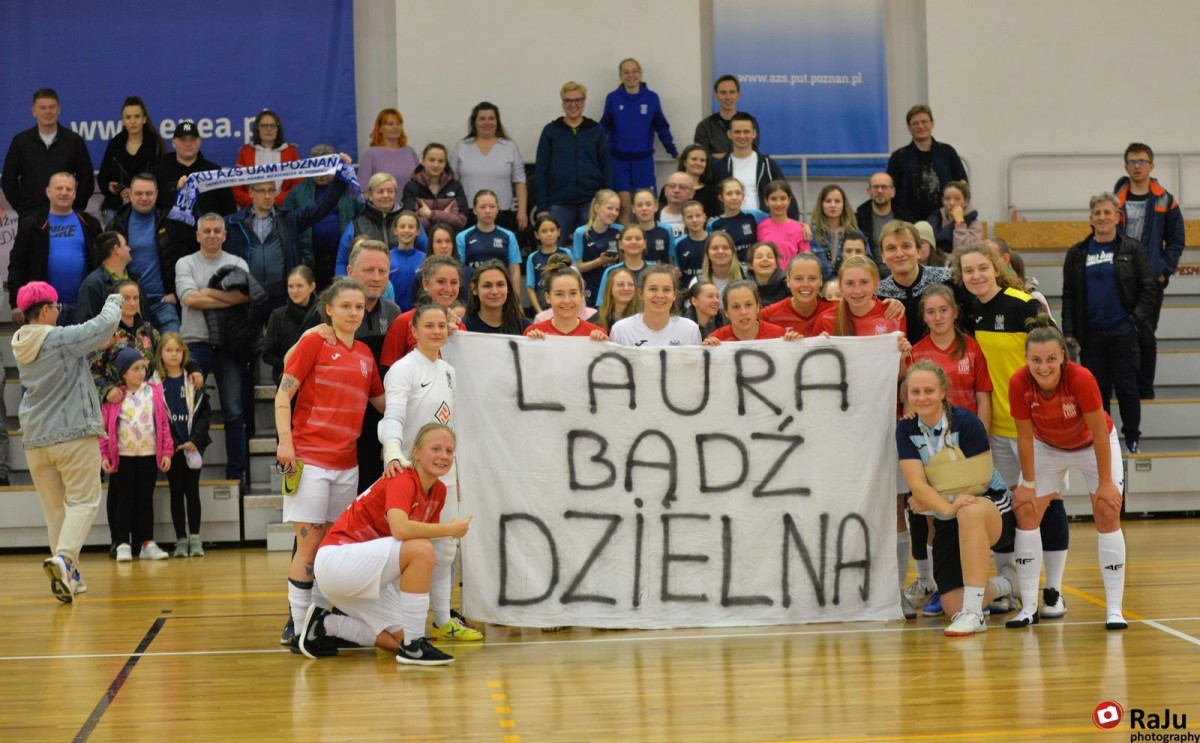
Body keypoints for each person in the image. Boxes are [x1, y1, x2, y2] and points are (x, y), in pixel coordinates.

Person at [298, 422, 469, 664]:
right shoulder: (403, 479)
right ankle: (415, 644)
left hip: (367, 571)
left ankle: (326, 624)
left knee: (399, 641)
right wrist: (449, 530)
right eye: (436, 449)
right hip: (338, 561)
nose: (443, 456)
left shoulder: (438, 492)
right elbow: (401, 529)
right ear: (416, 452)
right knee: (422, 549)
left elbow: (409, 552)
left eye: (449, 451)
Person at [277, 280, 386, 653]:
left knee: (332, 549)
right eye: (345, 306)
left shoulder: (365, 356)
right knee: (308, 545)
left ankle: (317, 625)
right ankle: (298, 627)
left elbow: (384, 404)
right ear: (329, 309)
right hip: (308, 461)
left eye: (358, 307)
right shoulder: (314, 343)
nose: (353, 313)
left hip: (346, 465)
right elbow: (282, 395)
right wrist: (285, 441)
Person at [951, 241, 1059, 613]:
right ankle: (1010, 586)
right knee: (1004, 506)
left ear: (997, 268)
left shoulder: (1024, 305)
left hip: (1035, 427)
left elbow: (1056, 356)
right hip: (997, 427)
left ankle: (1053, 590)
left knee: (1047, 503)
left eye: (982, 268)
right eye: (968, 271)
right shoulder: (973, 311)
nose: (976, 276)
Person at [1007, 322, 1128, 630]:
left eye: (1051, 359)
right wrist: (1028, 485)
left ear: (1063, 355)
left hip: (1092, 444)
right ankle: (1029, 607)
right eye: (1036, 360)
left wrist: (1105, 483)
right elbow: (1024, 437)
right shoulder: (1019, 382)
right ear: (1026, 359)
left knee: (1107, 509)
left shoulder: (1081, 378)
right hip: (1048, 446)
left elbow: (1099, 433)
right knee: (1025, 509)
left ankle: (1114, 609)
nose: (1043, 367)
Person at [376, 302, 483, 644]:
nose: (437, 331)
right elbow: (392, 416)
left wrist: (458, 471)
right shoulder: (402, 370)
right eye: (429, 326)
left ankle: (442, 620)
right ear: (414, 331)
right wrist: (393, 451)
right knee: (405, 549)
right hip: (409, 472)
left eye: (442, 326)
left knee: (446, 549)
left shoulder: (448, 371)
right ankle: (399, 624)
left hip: (443, 475)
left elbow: (451, 424)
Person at [13, 284, 122, 602]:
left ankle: (69, 576)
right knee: (84, 501)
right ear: (46, 310)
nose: (59, 311)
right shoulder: (58, 338)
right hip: (72, 432)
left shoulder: (20, 342)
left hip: (36, 439)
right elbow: (102, 324)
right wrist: (115, 298)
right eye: (57, 307)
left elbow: (70, 359)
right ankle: (64, 559)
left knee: (55, 512)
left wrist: (96, 347)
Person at [896, 360, 1017, 636]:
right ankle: (1008, 583)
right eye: (915, 392)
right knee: (952, 606)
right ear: (907, 396)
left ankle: (974, 614)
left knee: (969, 510)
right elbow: (917, 485)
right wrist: (947, 505)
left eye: (929, 391)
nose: (922, 397)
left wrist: (933, 499)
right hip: (949, 512)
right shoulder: (906, 430)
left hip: (991, 505)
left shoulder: (966, 422)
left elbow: (980, 480)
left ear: (942, 392)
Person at [906, 283, 994, 615]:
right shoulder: (916, 352)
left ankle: (980, 585)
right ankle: (941, 585)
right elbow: (909, 402)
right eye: (931, 312)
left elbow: (983, 397)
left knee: (971, 511)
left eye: (944, 310)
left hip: (967, 445)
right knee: (936, 516)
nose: (938, 316)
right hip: (932, 448)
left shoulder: (973, 348)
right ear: (923, 317)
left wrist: (980, 441)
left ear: (956, 312)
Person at [1062, 193, 1156, 454]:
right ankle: (1103, 437)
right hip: (1091, 334)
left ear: (1117, 217)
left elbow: (1148, 289)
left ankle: (1132, 438)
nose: (1102, 217)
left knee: (1127, 387)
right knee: (1096, 391)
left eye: (1107, 212)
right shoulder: (1077, 253)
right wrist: (1069, 330)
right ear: (1091, 219)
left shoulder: (1132, 249)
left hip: (1123, 331)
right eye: (1097, 213)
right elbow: (1069, 294)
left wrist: (1134, 322)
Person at [175, 214, 253, 486]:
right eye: (206, 231)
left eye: (216, 231)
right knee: (190, 412)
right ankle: (188, 475)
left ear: (224, 235)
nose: (211, 235)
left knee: (234, 412)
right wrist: (226, 297)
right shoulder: (185, 263)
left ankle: (237, 476)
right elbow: (189, 299)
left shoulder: (237, 263)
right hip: (194, 344)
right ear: (197, 235)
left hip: (229, 347)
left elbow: (244, 296)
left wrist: (206, 293)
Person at [222, 155, 351, 309]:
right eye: (262, 191)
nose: (267, 196)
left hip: (282, 297)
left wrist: (340, 177)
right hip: (247, 297)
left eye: (271, 190)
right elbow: (204, 226)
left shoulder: (289, 219)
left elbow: (323, 206)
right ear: (251, 192)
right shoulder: (234, 223)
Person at [1113, 142, 1185, 401]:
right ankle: (1126, 387)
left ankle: (1144, 390)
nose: (1137, 166)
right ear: (1126, 167)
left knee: (1145, 334)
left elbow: (1177, 240)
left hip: (1151, 279)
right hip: (1120, 278)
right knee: (1122, 334)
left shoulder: (1166, 200)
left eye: (1142, 161)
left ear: (1151, 166)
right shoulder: (1115, 201)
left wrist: (1164, 271)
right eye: (1132, 162)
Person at [99, 346, 174, 562]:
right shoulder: (115, 397)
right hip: (123, 458)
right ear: (124, 373)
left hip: (149, 456)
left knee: (145, 501)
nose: (141, 372)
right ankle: (123, 543)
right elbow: (104, 429)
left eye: (143, 367)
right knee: (124, 501)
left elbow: (163, 424)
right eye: (135, 368)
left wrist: (166, 452)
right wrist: (104, 456)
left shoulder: (154, 392)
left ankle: (146, 543)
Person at [8, 172, 101, 325]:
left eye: (69, 189)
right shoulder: (31, 225)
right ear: (48, 192)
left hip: (83, 306)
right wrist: (15, 302)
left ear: (75, 194)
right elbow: (17, 264)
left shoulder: (90, 223)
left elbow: (102, 263)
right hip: (43, 307)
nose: (64, 192)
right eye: (59, 188)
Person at [107, 173, 191, 331]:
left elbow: (184, 258)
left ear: (157, 194)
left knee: (174, 344)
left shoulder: (170, 222)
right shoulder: (116, 225)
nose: (144, 198)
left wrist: (176, 293)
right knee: (132, 348)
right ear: (129, 194)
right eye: (139, 193)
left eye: (149, 193)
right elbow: (107, 267)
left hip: (163, 303)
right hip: (128, 304)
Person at [601, 58, 678, 220]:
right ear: (620, 76)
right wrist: (595, 153)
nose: (631, 76)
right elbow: (603, 127)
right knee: (623, 206)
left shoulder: (651, 98)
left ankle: (646, 236)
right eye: (626, 72)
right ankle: (624, 236)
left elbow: (662, 126)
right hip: (619, 160)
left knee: (646, 206)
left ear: (640, 73)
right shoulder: (613, 98)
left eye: (634, 71)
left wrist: (673, 151)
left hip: (643, 161)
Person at [156, 333, 211, 558]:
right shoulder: (155, 383)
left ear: (184, 354)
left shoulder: (193, 381)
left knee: (193, 492)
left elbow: (204, 414)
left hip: (192, 447)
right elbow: (157, 419)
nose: (173, 354)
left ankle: (195, 538)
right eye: (169, 350)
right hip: (171, 449)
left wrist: (195, 440)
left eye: (177, 350)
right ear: (160, 353)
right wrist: (170, 444)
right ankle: (180, 539)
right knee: (176, 493)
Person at [535, 82, 611, 242]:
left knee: (591, 248)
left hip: (591, 202)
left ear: (584, 102)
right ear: (562, 103)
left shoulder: (595, 130)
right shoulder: (551, 131)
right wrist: (542, 207)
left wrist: (607, 201)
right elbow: (541, 170)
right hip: (559, 203)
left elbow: (606, 167)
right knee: (555, 249)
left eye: (577, 100)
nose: (573, 105)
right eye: (568, 100)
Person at [2, 88, 94, 222]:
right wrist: (23, 209)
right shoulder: (21, 142)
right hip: (30, 217)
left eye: (52, 107)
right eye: (42, 108)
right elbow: (8, 179)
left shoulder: (74, 141)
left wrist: (75, 207)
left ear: (59, 109)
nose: (48, 112)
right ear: (34, 111)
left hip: (66, 216)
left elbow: (86, 179)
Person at [877, 220, 975, 344]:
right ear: (883, 256)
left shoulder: (948, 279)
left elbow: (977, 312)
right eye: (891, 248)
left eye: (906, 246)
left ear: (918, 251)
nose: (899, 254)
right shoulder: (878, 294)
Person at [285, 144, 362, 289]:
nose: (321, 175)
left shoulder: (349, 189)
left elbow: (362, 218)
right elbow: (286, 226)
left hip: (344, 257)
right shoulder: (296, 193)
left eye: (326, 169)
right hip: (310, 260)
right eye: (317, 170)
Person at [451, 102, 528, 233]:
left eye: (491, 118)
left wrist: (522, 211)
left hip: (502, 214)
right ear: (474, 122)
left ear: (497, 121)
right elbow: (450, 181)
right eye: (482, 118)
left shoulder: (510, 147)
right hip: (468, 215)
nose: (487, 122)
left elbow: (520, 181)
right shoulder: (461, 146)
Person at [886, 105, 968, 221]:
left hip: (945, 220)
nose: (920, 126)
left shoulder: (948, 152)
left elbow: (962, 186)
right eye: (915, 123)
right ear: (909, 128)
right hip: (909, 222)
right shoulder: (898, 157)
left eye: (924, 122)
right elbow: (890, 192)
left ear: (932, 124)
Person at [380, 257, 467, 366]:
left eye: (454, 282)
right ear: (425, 284)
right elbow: (388, 369)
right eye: (441, 282)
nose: (448, 289)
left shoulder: (459, 326)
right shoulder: (404, 322)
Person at [89, 279, 160, 409]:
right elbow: (88, 370)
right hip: (116, 404)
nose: (132, 303)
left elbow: (166, 354)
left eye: (135, 298)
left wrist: (190, 367)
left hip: (147, 402)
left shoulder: (148, 329)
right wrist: (107, 389)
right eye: (126, 298)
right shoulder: (103, 332)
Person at [711, 113, 797, 218]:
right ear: (729, 134)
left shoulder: (767, 165)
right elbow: (714, 201)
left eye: (746, 131)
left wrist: (794, 223)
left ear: (754, 133)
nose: (742, 136)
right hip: (731, 224)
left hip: (764, 223)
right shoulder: (719, 167)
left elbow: (786, 195)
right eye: (737, 132)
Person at [96, 96, 166, 222]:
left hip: (148, 205)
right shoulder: (115, 144)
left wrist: (137, 192)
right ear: (123, 121)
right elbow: (103, 177)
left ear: (144, 119)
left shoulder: (155, 144)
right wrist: (110, 188)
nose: (133, 121)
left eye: (137, 116)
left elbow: (163, 178)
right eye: (128, 117)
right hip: (117, 206)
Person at [335, 173, 414, 276]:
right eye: (380, 191)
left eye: (390, 191)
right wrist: (344, 283)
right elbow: (341, 263)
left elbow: (426, 251)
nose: (386, 195)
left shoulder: (410, 221)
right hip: (367, 282)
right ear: (370, 195)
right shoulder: (356, 224)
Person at [153, 121, 236, 218]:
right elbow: (152, 209)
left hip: (208, 227)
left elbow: (230, 211)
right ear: (173, 143)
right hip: (169, 227)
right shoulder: (159, 172)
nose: (188, 144)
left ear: (199, 142)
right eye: (183, 139)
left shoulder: (214, 172)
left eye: (192, 139)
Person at [609, 265, 701, 346]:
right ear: (641, 293)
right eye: (653, 289)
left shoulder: (690, 330)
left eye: (666, 290)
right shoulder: (620, 331)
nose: (660, 295)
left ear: (674, 295)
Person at [232, 109, 301, 208]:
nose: (269, 129)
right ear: (257, 129)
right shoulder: (246, 152)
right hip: (251, 209)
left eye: (273, 125)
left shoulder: (290, 152)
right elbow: (236, 186)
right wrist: (255, 202)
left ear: (278, 129)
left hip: (282, 209)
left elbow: (298, 185)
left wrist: (276, 202)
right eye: (264, 125)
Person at [263, 266, 318, 384]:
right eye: (290, 286)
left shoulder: (323, 315)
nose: (294, 291)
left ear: (312, 287)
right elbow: (267, 354)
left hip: (317, 381)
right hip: (286, 380)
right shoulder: (278, 316)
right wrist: (291, 366)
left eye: (299, 286)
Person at [74, 231, 143, 325]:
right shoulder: (93, 284)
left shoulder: (134, 278)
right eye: (125, 245)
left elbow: (145, 316)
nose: (129, 249)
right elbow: (87, 324)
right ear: (116, 249)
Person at [457, 190, 520, 290]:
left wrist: (516, 298)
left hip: (500, 291)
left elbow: (514, 270)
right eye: (482, 207)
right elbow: (459, 269)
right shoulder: (462, 237)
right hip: (472, 291)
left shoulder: (509, 236)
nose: (487, 211)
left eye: (492, 206)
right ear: (474, 210)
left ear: (497, 209)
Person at [525, 264, 609, 340]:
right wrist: (532, 344)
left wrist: (602, 345)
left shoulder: (597, 335)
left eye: (573, 293)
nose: (567, 301)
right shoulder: (533, 333)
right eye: (559, 294)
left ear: (581, 295)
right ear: (548, 297)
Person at [761, 253, 836, 336]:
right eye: (798, 279)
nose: (805, 284)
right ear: (788, 280)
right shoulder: (768, 315)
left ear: (820, 280)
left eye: (812, 278)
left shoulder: (836, 310)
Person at [571, 189, 623, 306]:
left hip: (614, 286)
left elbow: (625, 261)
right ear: (597, 208)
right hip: (591, 286)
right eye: (609, 208)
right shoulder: (581, 233)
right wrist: (600, 261)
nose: (614, 213)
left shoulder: (620, 230)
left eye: (617, 209)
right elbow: (579, 267)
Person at [402, 143, 468, 233]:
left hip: (448, 239)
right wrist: (444, 217)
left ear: (445, 163)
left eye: (441, 161)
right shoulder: (412, 187)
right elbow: (410, 222)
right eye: (432, 160)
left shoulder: (456, 186)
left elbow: (460, 222)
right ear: (423, 161)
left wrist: (430, 214)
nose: (436, 165)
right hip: (420, 240)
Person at [703, 280, 796, 344]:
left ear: (757, 307)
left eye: (748, 305)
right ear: (726, 312)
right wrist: (707, 350)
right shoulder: (716, 339)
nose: (743, 312)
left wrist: (795, 344)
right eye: (736, 307)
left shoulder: (778, 334)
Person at [694, 75, 760, 159]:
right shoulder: (705, 126)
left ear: (738, 95)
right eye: (723, 92)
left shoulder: (750, 122)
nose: (728, 97)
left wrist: (715, 156)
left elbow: (750, 154)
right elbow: (701, 158)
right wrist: (736, 155)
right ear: (716, 96)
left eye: (732, 92)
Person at [358, 108, 420, 194]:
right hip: (383, 202)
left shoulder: (410, 152)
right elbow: (363, 189)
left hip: (411, 202)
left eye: (398, 124)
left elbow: (421, 181)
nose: (395, 127)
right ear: (380, 129)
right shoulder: (370, 154)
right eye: (390, 124)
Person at [757, 180, 814, 271]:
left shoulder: (800, 229)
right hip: (766, 276)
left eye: (783, 198)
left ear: (789, 200)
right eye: (773, 199)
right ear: (766, 201)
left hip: (790, 277)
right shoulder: (760, 227)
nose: (778, 203)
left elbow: (806, 261)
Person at [463, 259, 531, 335]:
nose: (494, 291)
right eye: (487, 286)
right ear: (474, 289)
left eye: (500, 285)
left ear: (508, 288)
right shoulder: (463, 328)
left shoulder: (525, 328)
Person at [855, 172, 913, 256]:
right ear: (869, 191)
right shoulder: (857, 221)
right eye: (876, 187)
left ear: (893, 192)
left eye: (884, 187)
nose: (880, 191)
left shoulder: (906, 220)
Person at [658, 145, 720, 220]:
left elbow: (715, 218)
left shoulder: (712, 191)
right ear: (684, 162)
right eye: (694, 159)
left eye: (702, 160)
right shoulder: (669, 189)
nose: (698, 163)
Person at [525, 215, 572, 314]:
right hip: (542, 307)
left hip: (564, 305)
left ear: (558, 232)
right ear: (537, 235)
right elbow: (530, 288)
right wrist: (539, 311)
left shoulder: (566, 253)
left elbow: (575, 280)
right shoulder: (532, 258)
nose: (549, 234)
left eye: (552, 230)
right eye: (544, 231)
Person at [710, 178, 766, 260]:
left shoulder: (755, 216)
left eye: (738, 193)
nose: (734, 197)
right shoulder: (713, 225)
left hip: (751, 267)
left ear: (743, 196)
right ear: (721, 198)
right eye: (729, 194)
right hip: (728, 267)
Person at [809, 184, 858, 273]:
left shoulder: (854, 232)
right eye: (828, 201)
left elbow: (867, 260)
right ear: (821, 205)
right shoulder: (812, 233)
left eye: (837, 201)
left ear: (844, 205)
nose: (832, 205)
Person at [928, 180, 982, 254]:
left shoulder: (974, 225)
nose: (952, 203)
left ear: (966, 201)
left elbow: (964, 252)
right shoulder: (935, 218)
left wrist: (960, 223)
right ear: (942, 201)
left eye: (957, 199)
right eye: (947, 199)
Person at [597, 225, 650, 300]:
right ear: (620, 244)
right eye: (628, 239)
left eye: (638, 239)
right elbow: (603, 303)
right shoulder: (610, 272)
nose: (633, 242)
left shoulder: (655, 271)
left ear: (644, 243)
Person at [631, 188, 676, 266]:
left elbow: (672, 259)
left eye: (648, 204)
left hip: (662, 273)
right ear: (633, 209)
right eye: (639, 205)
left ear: (656, 207)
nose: (644, 208)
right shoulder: (629, 232)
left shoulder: (666, 229)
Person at [675, 201, 712, 287]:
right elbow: (677, 269)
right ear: (683, 220)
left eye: (698, 216)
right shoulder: (678, 243)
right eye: (690, 217)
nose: (694, 220)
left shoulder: (713, 240)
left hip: (711, 288)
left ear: (704, 217)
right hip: (687, 290)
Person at [595, 265, 640, 332]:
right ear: (610, 289)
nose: (626, 288)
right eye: (621, 284)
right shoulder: (596, 320)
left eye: (630, 284)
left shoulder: (643, 319)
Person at [747, 241, 788, 305]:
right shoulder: (744, 287)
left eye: (769, 257)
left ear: (776, 264)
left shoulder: (788, 285)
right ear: (750, 265)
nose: (765, 259)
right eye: (759, 257)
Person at [657, 172, 695, 239]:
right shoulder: (653, 215)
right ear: (665, 191)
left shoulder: (698, 216)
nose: (676, 190)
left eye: (682, 187)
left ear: (692, 193)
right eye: (672, 186)